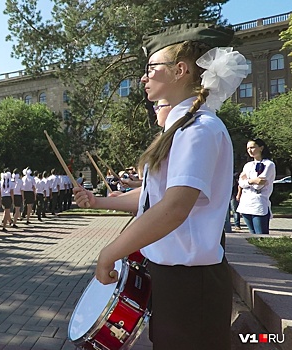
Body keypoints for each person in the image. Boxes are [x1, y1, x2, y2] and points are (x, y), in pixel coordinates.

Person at [74, 23, 248, 350]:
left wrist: (110, 251)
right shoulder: (185, 127)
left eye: (151, 68)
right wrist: (99, 201)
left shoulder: (198, 128)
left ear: (180, 70)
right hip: (176, 278)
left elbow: (173, 209)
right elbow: (154, 198)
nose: (144, 77)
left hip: (190, 283)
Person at [237, 139, 276, 234]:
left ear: (261, 148)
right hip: (246, 203)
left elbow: (259, 185)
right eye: (248, 148)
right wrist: (252, 180)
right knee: (251, 235)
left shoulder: (268, 164)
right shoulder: (248, 165)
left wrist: (247, 180)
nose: (250, 150)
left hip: (259, 203)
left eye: (252, 147)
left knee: (260, 235)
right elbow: (241, 183)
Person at [0, 168, 14, 232]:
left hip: (3, 197)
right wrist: (13, 199)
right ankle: (4, 225)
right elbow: (11, 192)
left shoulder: (1, 181)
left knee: (6, 211)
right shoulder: (11, 182)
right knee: (7, 211)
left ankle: (8, 221)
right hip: (8, 197)